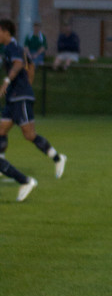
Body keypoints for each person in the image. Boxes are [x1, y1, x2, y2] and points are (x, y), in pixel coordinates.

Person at [0, 18, 67, 179]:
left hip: (20, 98)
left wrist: (8, 81)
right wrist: (27, 85)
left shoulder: (13, 47)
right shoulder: (14, 48)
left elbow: (17, 64)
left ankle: (58, 158)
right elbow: (31, 67)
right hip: (14, 97)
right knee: (1, 130)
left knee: (29, 135)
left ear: (6, 32)